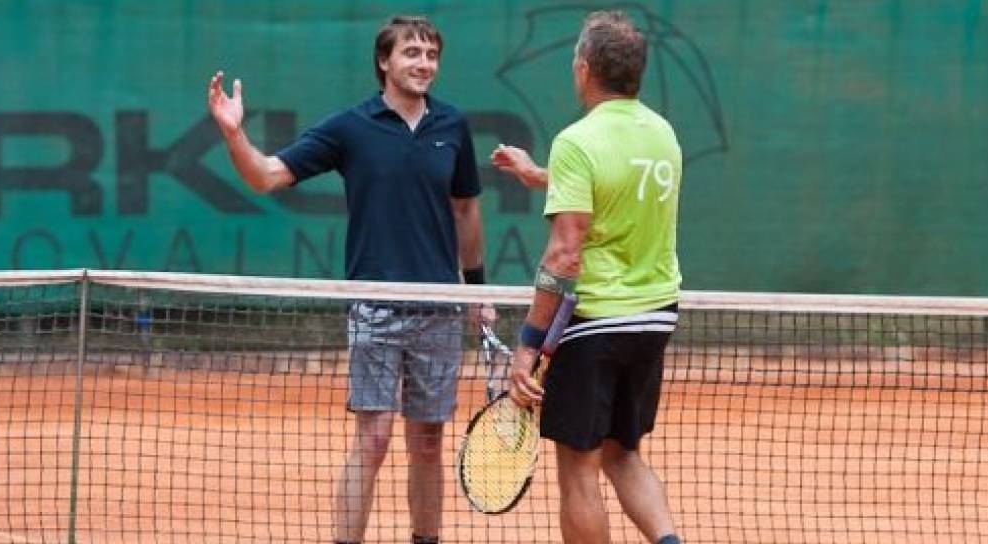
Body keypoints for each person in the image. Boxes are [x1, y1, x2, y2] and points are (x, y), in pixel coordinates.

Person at [207, 15, 494, 544]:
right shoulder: (350, 128)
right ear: (384, 61)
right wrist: (233, 133)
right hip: (374, 306)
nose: (424, 64)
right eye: (412, 53)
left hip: (439, 307)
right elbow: (266, 176)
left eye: (431, 55)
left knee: (428, 441)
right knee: (374, 437)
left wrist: (477, 291)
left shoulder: (452, 126)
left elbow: (465, 210)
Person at [492, 10, 684, 544]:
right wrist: (538, 175)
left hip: (596, 322)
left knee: (579, 470)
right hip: (654, 318)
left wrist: (528, 344)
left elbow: (564, 256)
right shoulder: (663, 133)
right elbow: (613, 185)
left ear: (584, 68)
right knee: (624, 454)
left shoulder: (578, 140)